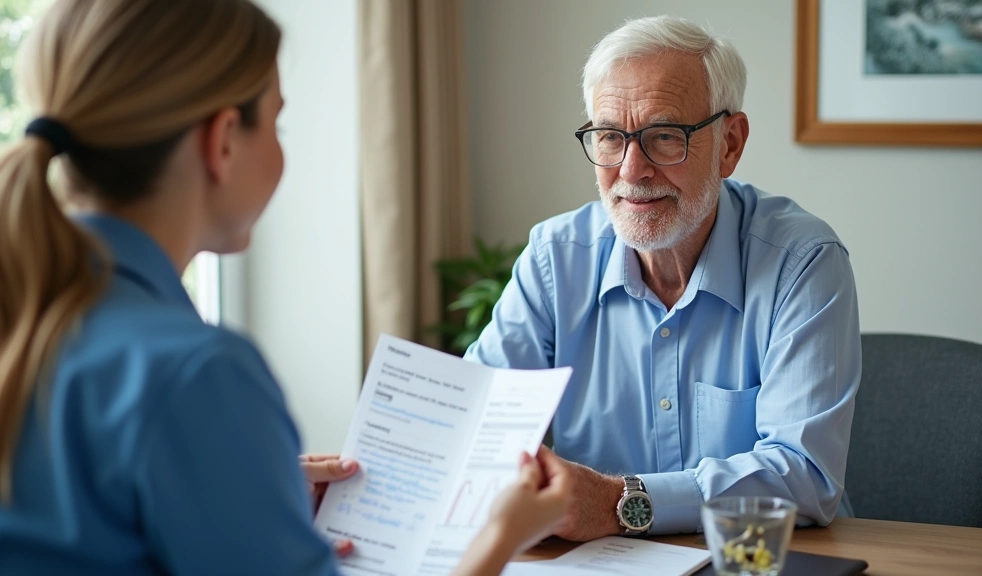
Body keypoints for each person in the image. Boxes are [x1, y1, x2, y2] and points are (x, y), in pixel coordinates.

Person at [0, 1, 569, 574]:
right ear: (223, 140)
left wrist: (243, 488)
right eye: (277, 121)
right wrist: (498, 538)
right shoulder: (194, 371)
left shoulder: (27, 319)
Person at [465, 15, 861, 540]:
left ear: (730, 144)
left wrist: (616, 503)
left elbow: (804, 475)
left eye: (665, 136)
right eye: (609, 137)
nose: (631, 170)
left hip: (761, 562)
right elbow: (474, 428)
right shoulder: (554, 260)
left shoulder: (802, 262)